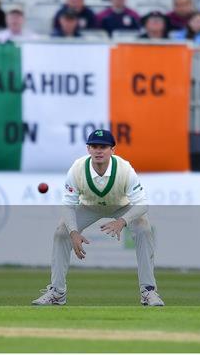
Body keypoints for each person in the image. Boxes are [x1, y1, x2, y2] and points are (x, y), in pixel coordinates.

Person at [32, 129, 165, 307]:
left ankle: (148, 291)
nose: (98, 150)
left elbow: (143, 204)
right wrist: (73, 232)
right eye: (94, 146)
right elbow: (67, 204)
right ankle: (57, 292)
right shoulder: (78, 168)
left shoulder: (125, 169)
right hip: (89, 206)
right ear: (88, 149)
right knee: (61, 233)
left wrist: (122, 221)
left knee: (144, 228)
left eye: (103, 146)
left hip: (121, 206)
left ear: (112, 150)